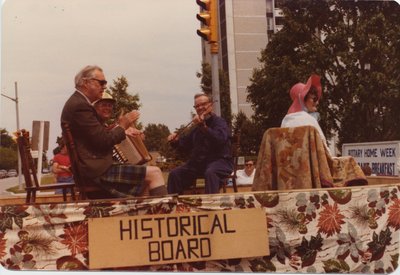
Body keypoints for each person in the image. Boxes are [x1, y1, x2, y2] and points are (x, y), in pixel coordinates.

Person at [61, 65, 167, 199]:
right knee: (155, 173)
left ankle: (141, 217)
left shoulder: (78, 103)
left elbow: (97, 136)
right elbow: (103, 141)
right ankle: (164, 213)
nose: (105, 86)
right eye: (101, 82)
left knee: (144, 182)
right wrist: (123, 125)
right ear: (86, 83)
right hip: (96, 172)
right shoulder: (80, 106)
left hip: (91, 169)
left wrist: (121, 129)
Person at [167, 93, 233, 194]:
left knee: (211, 172)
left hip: (221, 162)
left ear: (211, 105)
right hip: (200, 165)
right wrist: (175, 141)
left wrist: (203, 127)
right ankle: (175, 205)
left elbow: (220, 139)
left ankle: (211, 205)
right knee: (175, 174)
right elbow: (184, 145)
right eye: (197, 106)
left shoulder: (220, 122)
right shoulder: (196, 128)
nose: (200, 107)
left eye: (203, 104)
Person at [281, 74, 327, 145]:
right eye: (314, 99)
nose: (317, 102)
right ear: (303, 99)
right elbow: (323, 147)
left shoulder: (285, 121)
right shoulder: (310, 120)